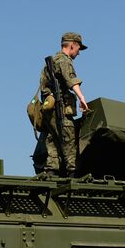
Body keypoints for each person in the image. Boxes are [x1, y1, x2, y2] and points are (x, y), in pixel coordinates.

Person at [36, 32, 91, 175]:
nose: (78, 53)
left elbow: (43, 88)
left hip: (49, 110)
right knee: (69, 141)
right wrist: (81, 98)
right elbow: (71, 80)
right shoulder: (64, 61)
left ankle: (51, 172)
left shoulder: (50, 63)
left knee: (52, 141)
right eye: (78, 48)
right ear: (72, 45)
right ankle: (72, 175)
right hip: (61, 109)